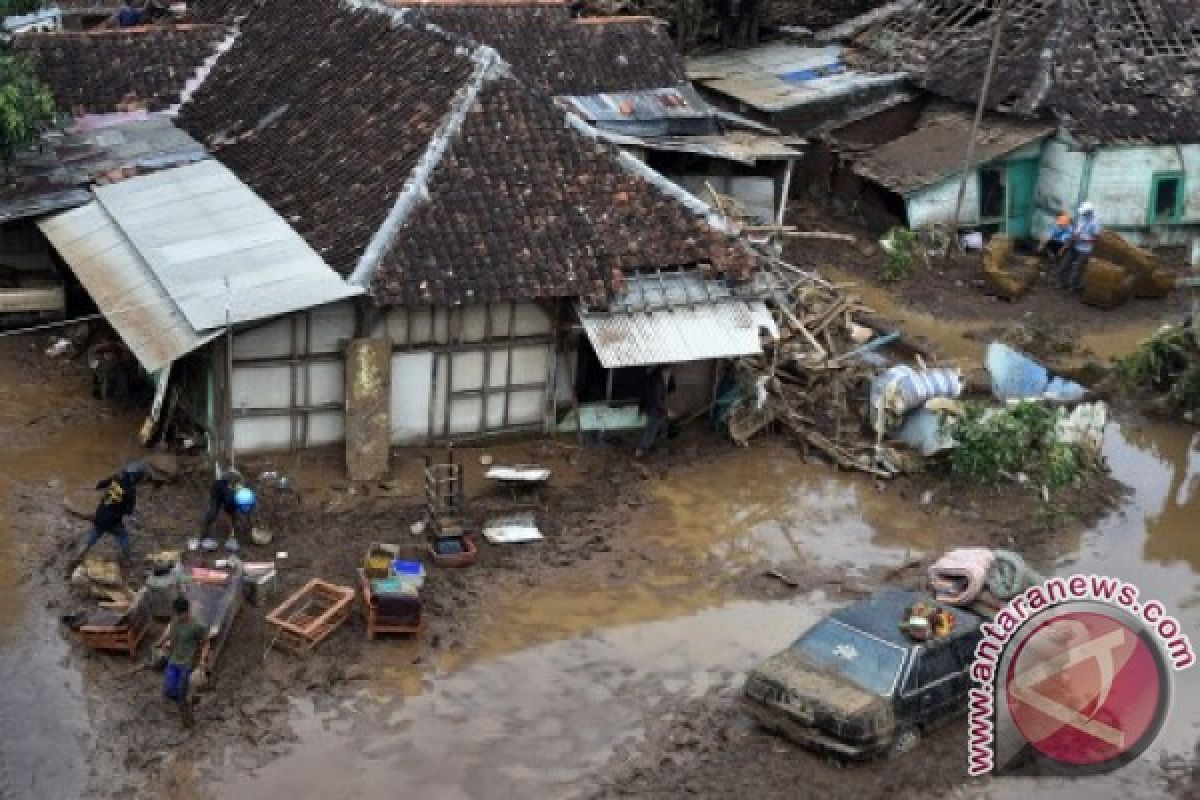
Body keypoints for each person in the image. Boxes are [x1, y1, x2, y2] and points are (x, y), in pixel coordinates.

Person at [67, 460, 148, 572]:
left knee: (94, 534)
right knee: (123, 537)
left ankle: (80, 552)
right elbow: (128, 512)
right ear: (137, 478)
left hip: (100, 514)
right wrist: (130, 513)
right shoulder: (130, 492)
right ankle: (127, 559)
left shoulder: (116, 478)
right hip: (113, 521)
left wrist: (94, 489)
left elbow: (101, 484)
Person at [162, 595, 209, 728]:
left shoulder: (198, 626)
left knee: (182, 695)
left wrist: (202, 660)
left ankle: (188, 722)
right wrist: (160, 643)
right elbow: (168, 633)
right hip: (173, 660)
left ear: (187, 611)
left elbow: (206, 643)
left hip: (187, 663)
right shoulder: (175, 621)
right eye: (176, 614)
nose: (178, 617)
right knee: (169, 690)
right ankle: (193, 698)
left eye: (180, 614)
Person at [202, 468, 255, 545]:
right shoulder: (230, 499)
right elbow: (228, 512)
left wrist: (249, 525)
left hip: (230, 490)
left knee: (237, 515)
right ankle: (205, 532)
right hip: (217, 493)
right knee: (213, 513)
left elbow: (248, 512)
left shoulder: (249, 496)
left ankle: (241, 531)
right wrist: (232, 527)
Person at [1058, 201, 1101, 293]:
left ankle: (1072, 287)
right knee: (1065, 264)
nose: (1083, 214)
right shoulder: (1082, 217)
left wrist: (1084, 239)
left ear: (1089, 212)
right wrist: (1071, 237)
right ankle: (1062, 283)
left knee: (1076, 268)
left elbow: (1096, 239)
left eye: (1084, 212)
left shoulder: (1095, 223)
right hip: (1075, 245)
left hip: (1085, 249)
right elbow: (1077, 229)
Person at [634, 366, 675, 458]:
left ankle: (650, 446)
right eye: (668, 372)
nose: (669, 374)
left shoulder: (655, 378)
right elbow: (656, 399)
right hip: (653, 408)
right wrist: (666, 411)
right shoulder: (657, 382)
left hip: (652, 406)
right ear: (664, 371)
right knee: (652, 428)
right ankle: (641, 449)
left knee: (661, 426)